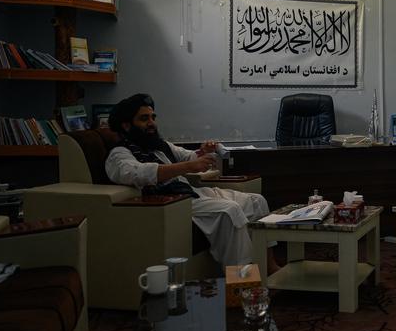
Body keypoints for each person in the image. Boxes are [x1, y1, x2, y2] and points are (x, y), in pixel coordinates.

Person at [105, 93, 273, 269]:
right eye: (144, 119)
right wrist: (188, 166)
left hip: (191, 194)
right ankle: (241, 285)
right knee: (228, 211)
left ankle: (270, 267)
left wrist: (202, 152)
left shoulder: (159, 145)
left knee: (256, 201)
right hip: (172, 203)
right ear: (126, 125)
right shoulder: (119, 154)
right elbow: (139, 174)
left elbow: (187, 156)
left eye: (153, 117)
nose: (152, 123)